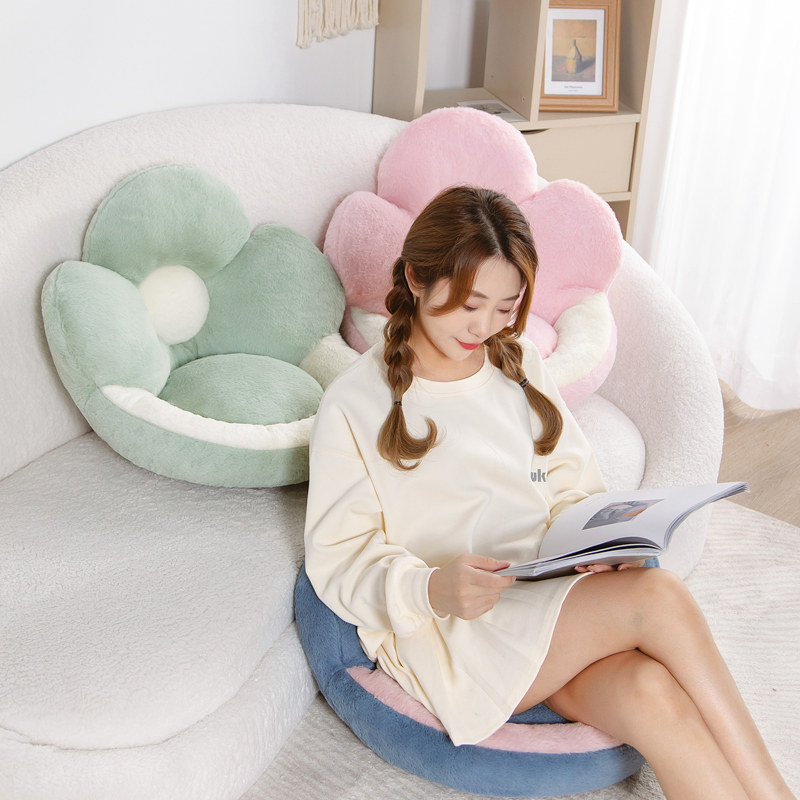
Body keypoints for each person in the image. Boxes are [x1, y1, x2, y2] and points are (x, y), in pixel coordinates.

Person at [304, 186, 794, 799]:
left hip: (549, 595)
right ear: (415, 278)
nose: (484, 327)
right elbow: (339, 559)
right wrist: (430, 587)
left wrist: (600, 544)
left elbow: (571, 487)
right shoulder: (354, 402)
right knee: (660, 597)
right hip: (457, 629)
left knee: (650, 694)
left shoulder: (519, 364)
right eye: (469, 304)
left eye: (505, 307)